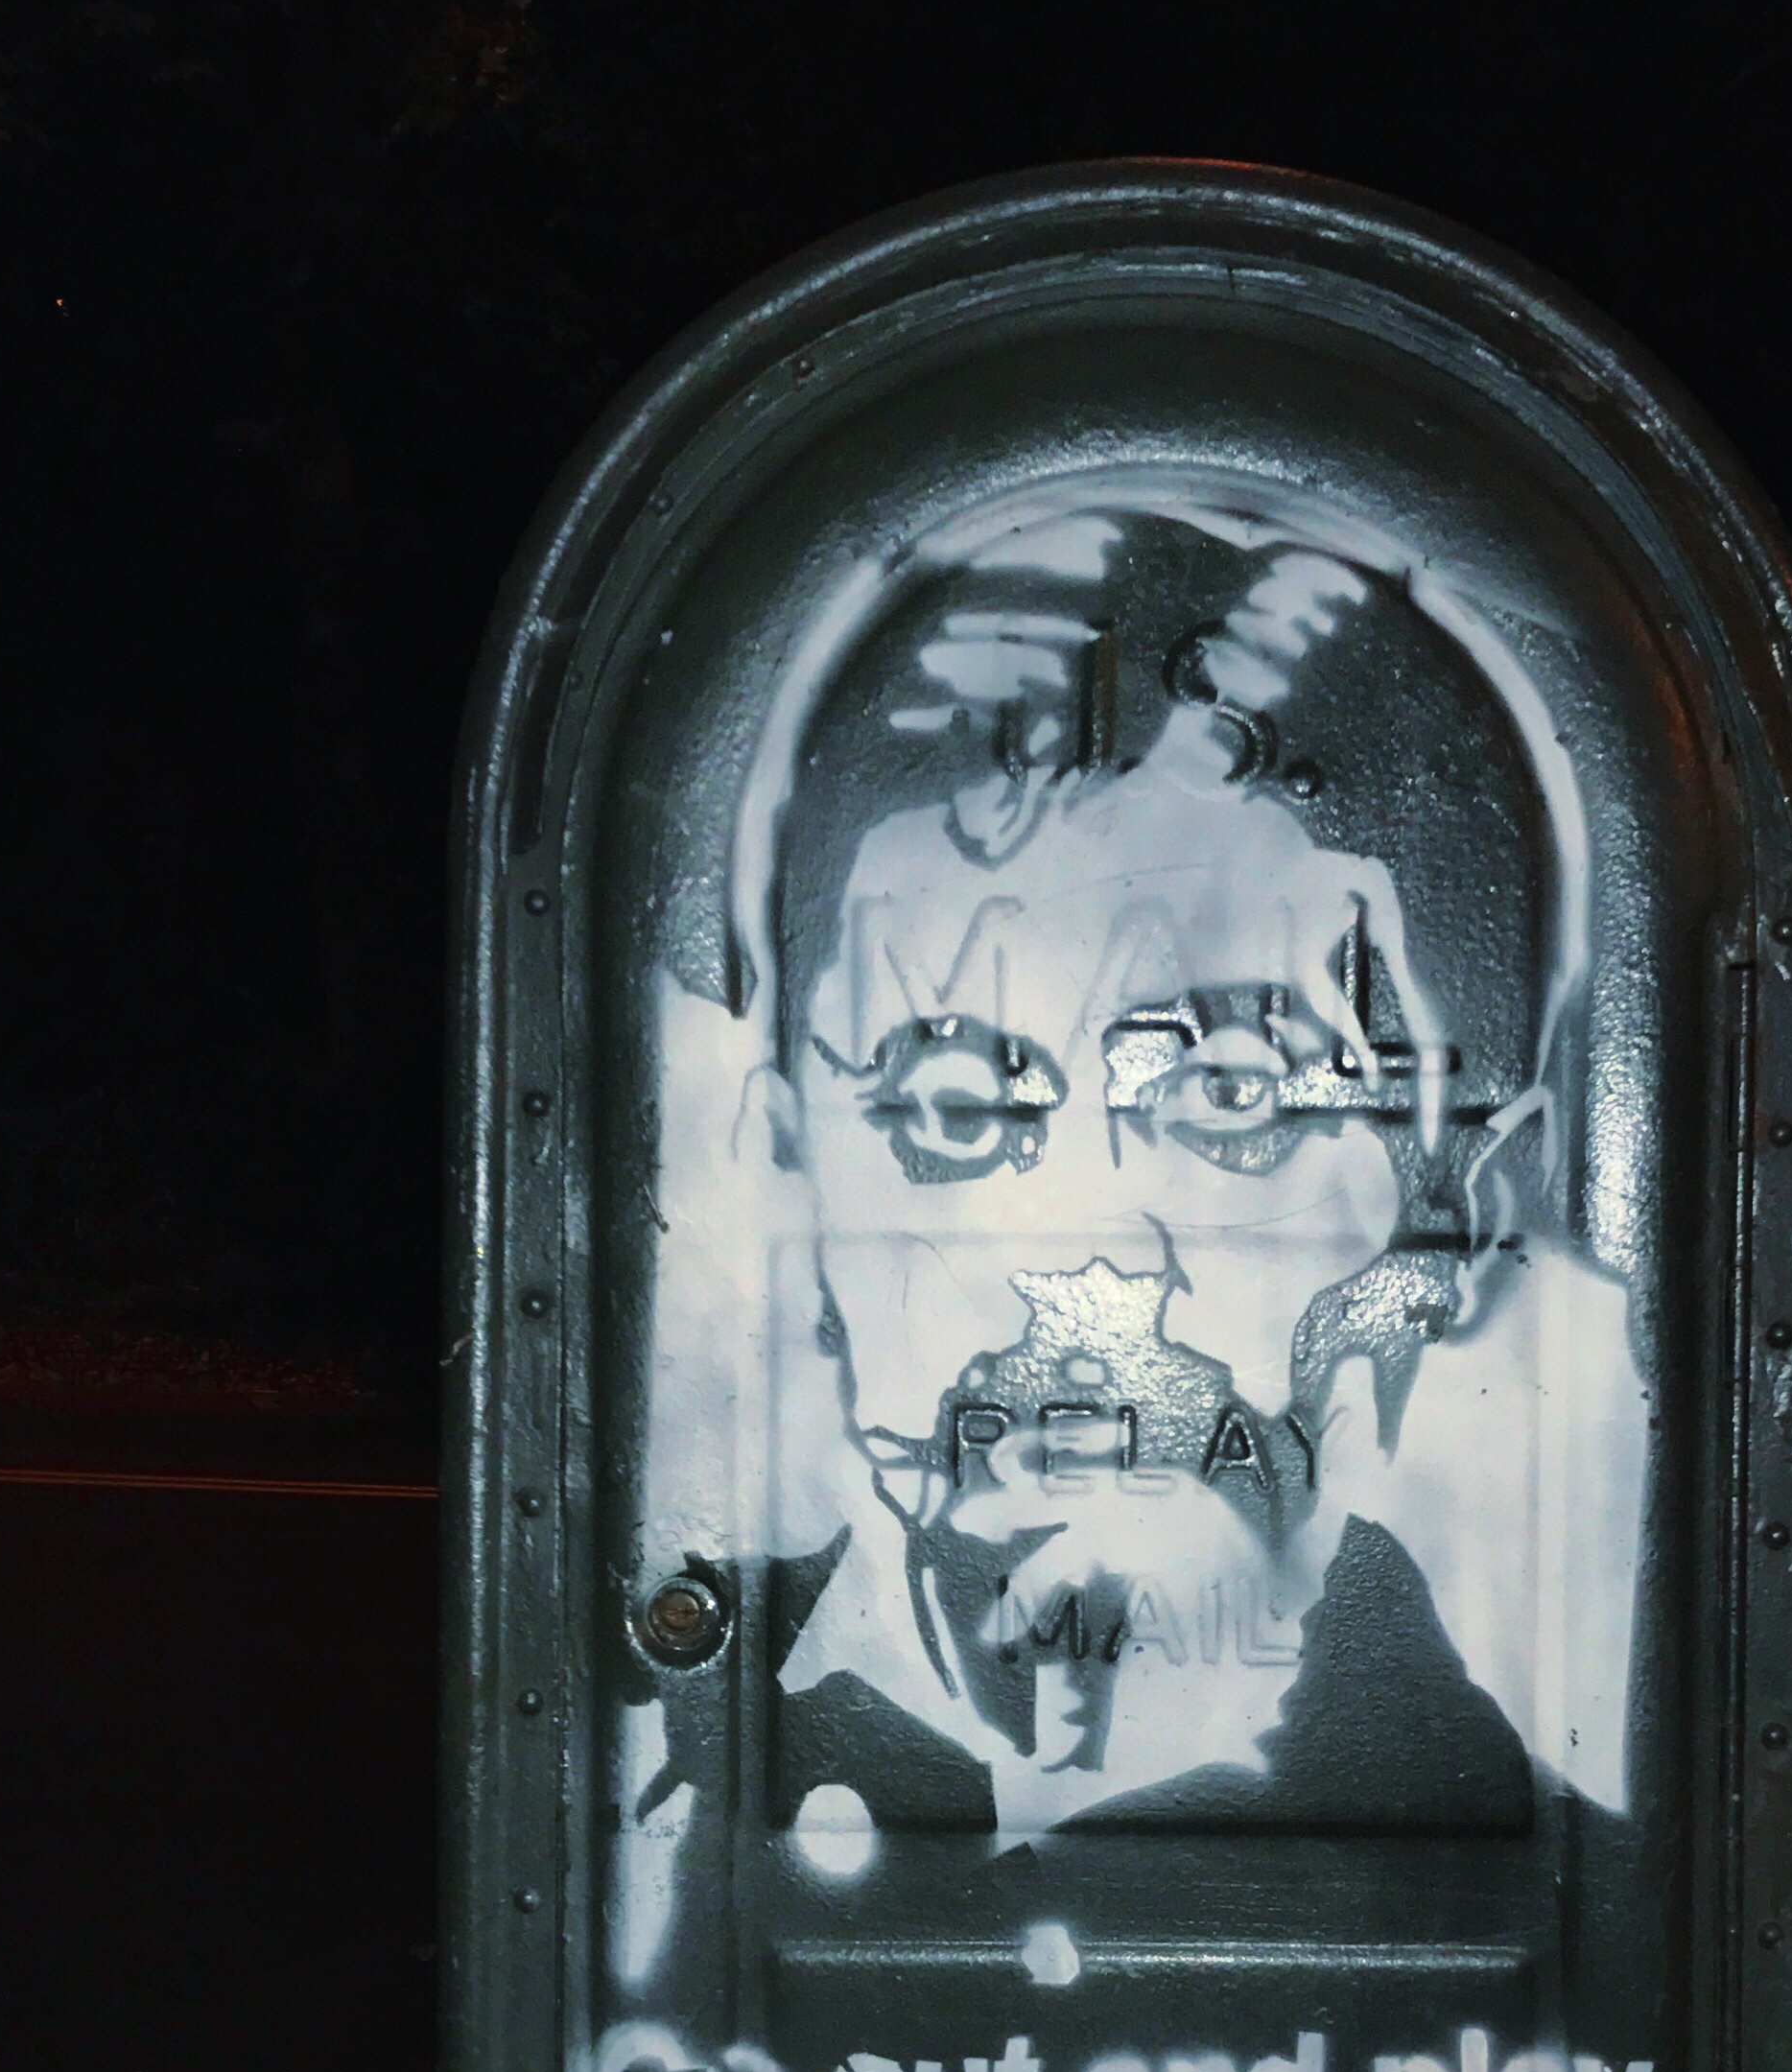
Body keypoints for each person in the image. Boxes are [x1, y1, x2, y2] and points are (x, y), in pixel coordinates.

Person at [620, 490, 1649, 1964]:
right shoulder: (649, 1798)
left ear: (1467, 1204)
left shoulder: (1568, 1897)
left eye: (1236, 1094)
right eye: (953, 1107)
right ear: (789, 1170)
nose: (1089, 1254)